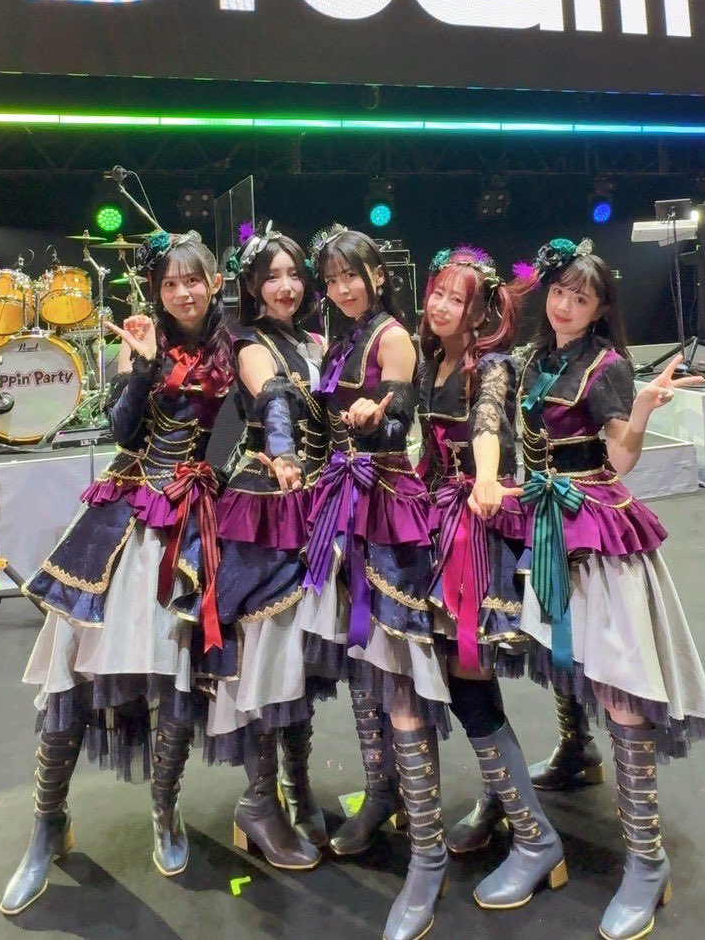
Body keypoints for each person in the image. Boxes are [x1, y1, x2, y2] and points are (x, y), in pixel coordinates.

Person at [0, 230, 234, 915]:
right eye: (170, 283)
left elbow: (238, 433)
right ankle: (48, 822)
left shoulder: (237, 346)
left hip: (190, 520)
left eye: (193, 280)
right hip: (123, 512)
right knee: (72, 665)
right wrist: (140, 367)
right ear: (157, 290)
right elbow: (125, 433)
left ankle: (165, 806)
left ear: (215, 282)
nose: (183, 292)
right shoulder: (140, 340)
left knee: (173, 668)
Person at [513, 237, 705, 940]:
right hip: (542, 518)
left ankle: (647, 857)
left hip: (594, 525)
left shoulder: (606, 366)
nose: (565, 305)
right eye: (559, 291)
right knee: (564, 653)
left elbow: (620, 459)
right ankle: (577, 751)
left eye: (582, 297)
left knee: (622, 681)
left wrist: (645, 408)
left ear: (601, 309)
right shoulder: (534, 359)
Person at [299, 226, 445, 940]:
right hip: (341, 504)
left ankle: (427, 845)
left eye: (351, 275)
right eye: (331, 280)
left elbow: (401, 415)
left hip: (387, 505)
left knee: (399, 666)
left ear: (378, 276)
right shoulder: (343, 337)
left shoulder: (391, 336)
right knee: (361, 665)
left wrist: (375, 414)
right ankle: (381, 791)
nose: (342, 288)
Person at [416, 247, 568, 913]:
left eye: (458, 298)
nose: (442, 305)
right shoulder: (431, 361)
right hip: (433, 526)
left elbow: (486, 423)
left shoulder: (493, 365)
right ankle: (502, 802)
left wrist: (483, 475)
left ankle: (536, 837)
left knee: (468, 675)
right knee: (462, 677)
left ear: (480, 312)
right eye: (438, 292)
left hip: (473, 531)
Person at [206, 222, 330, 869]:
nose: (286, 286)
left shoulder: (311, 340)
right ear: (252, 287)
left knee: (298, 654)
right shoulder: (249, 343)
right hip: (266, 503)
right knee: (266, 649)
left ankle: (296, 783)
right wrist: (282, 454)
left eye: (293, 274)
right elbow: (274, 401)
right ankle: (258, 799)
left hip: (314, 501)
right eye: (271, 276)